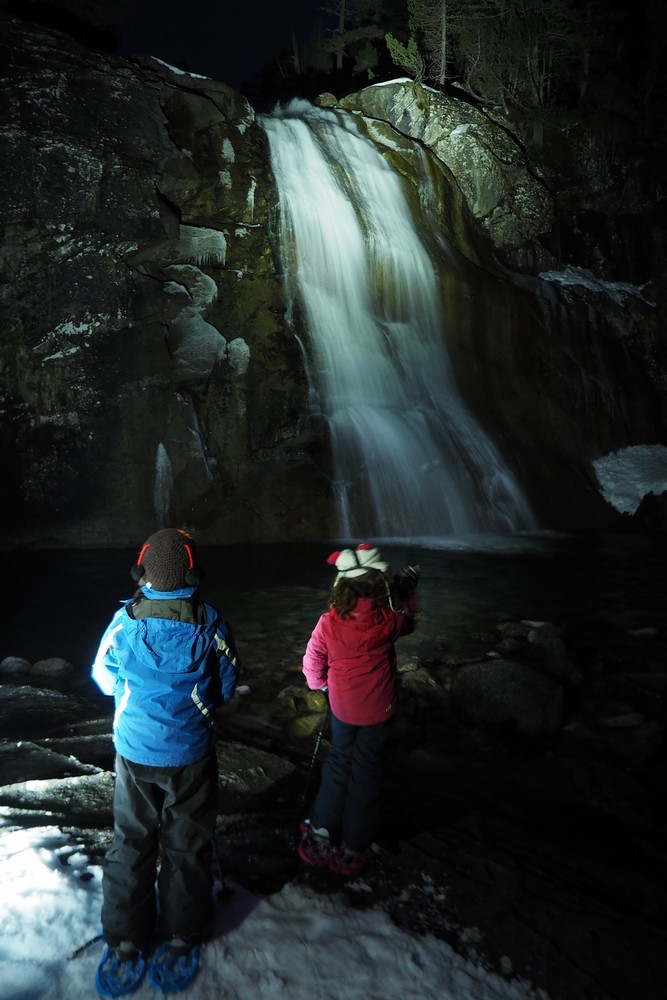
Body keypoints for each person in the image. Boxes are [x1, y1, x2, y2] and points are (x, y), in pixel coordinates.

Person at [91, 528, 239, 997]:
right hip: (191, 753)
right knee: (187, 843)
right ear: (194, 572)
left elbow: (102, 678)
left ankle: (125, 941)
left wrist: (136, 693)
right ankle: (180, 935)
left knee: (131, 841)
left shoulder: (124, 623)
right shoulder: (212, 623)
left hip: (135, 751)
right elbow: (227, 686)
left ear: (143, 571)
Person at [299, 543, 419, 877]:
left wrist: (319, 685)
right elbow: (409, 622)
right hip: (380, 708)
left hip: (342, 707)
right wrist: (405, 594)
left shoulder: (329, 623)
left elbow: (312, 662)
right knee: (367, 771)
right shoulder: (389, 621)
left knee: (339, 762)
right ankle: (354, 845)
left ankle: (321, 832)